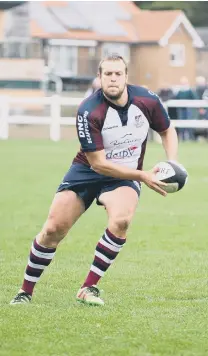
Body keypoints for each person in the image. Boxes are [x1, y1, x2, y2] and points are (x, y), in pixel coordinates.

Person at [10, 53, 179, 306]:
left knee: (121, 220)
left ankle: (89, 287)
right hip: (87, 171)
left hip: (124, 176)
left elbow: (167, 130)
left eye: (117, 73)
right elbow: (98, 163)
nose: (113, 79)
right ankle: (25, 292)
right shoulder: (89, 110)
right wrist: (142, 175)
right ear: (99, 78)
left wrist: (172, 162)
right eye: (107, 74)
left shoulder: (147, 100)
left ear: (126, 76)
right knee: (53, 229)